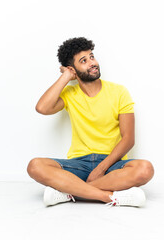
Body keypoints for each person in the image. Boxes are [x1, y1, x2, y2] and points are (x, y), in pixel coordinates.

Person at [27, 37, 154, 207]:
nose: (92, 63)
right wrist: (66, 77)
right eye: (83, 61)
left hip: (112, 164)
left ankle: (70, 192)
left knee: (145, 169)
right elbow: (42, 108)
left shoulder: (119, 92)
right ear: (73, 69)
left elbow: (128, 139)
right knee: (35, 166)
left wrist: (100, 169)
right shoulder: (69, 94)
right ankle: (108, 197)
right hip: (79, 164)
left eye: (92, 57)